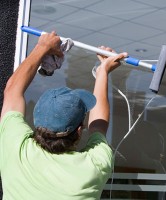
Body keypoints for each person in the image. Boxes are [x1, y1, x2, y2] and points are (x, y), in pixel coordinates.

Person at [0, 31, 128, 199]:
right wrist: (103, 71)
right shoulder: (93, 168)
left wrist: (42, 47)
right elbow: (98, 126)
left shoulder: (16, 148)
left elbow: (12, 91)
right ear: (79, 131)